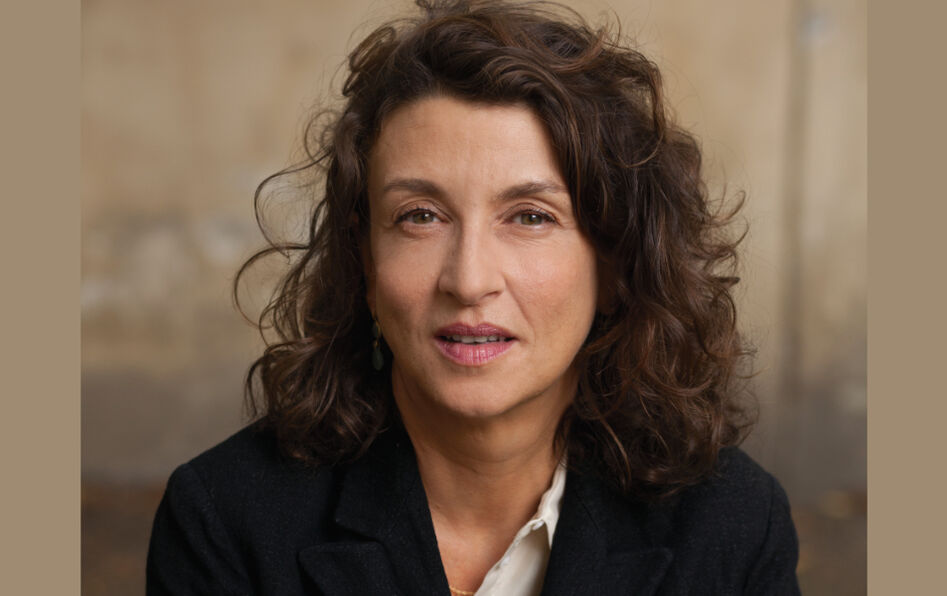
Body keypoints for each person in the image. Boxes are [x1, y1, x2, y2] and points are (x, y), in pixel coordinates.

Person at [147, 1, 800, 594]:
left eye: (530, 216)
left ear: (616, 265)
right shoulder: (224, 520)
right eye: (420, 216)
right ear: (365, 262)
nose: (467, 280)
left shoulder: (732, 527)